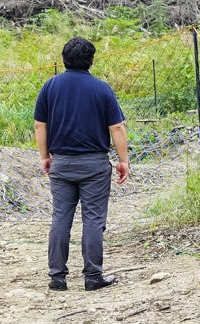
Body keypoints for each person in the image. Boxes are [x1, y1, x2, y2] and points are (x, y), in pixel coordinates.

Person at [34, 37, 130, 291]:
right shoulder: (101, 88)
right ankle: (93, 276)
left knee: (60, 219)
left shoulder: (50, 86)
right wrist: (123, 160)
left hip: (61, 163)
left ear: (64, 59)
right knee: (93, 220)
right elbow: (117, 127)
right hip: (94, 165)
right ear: (91, 61)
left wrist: (45, 156)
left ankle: (57, 276)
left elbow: (40, 125)